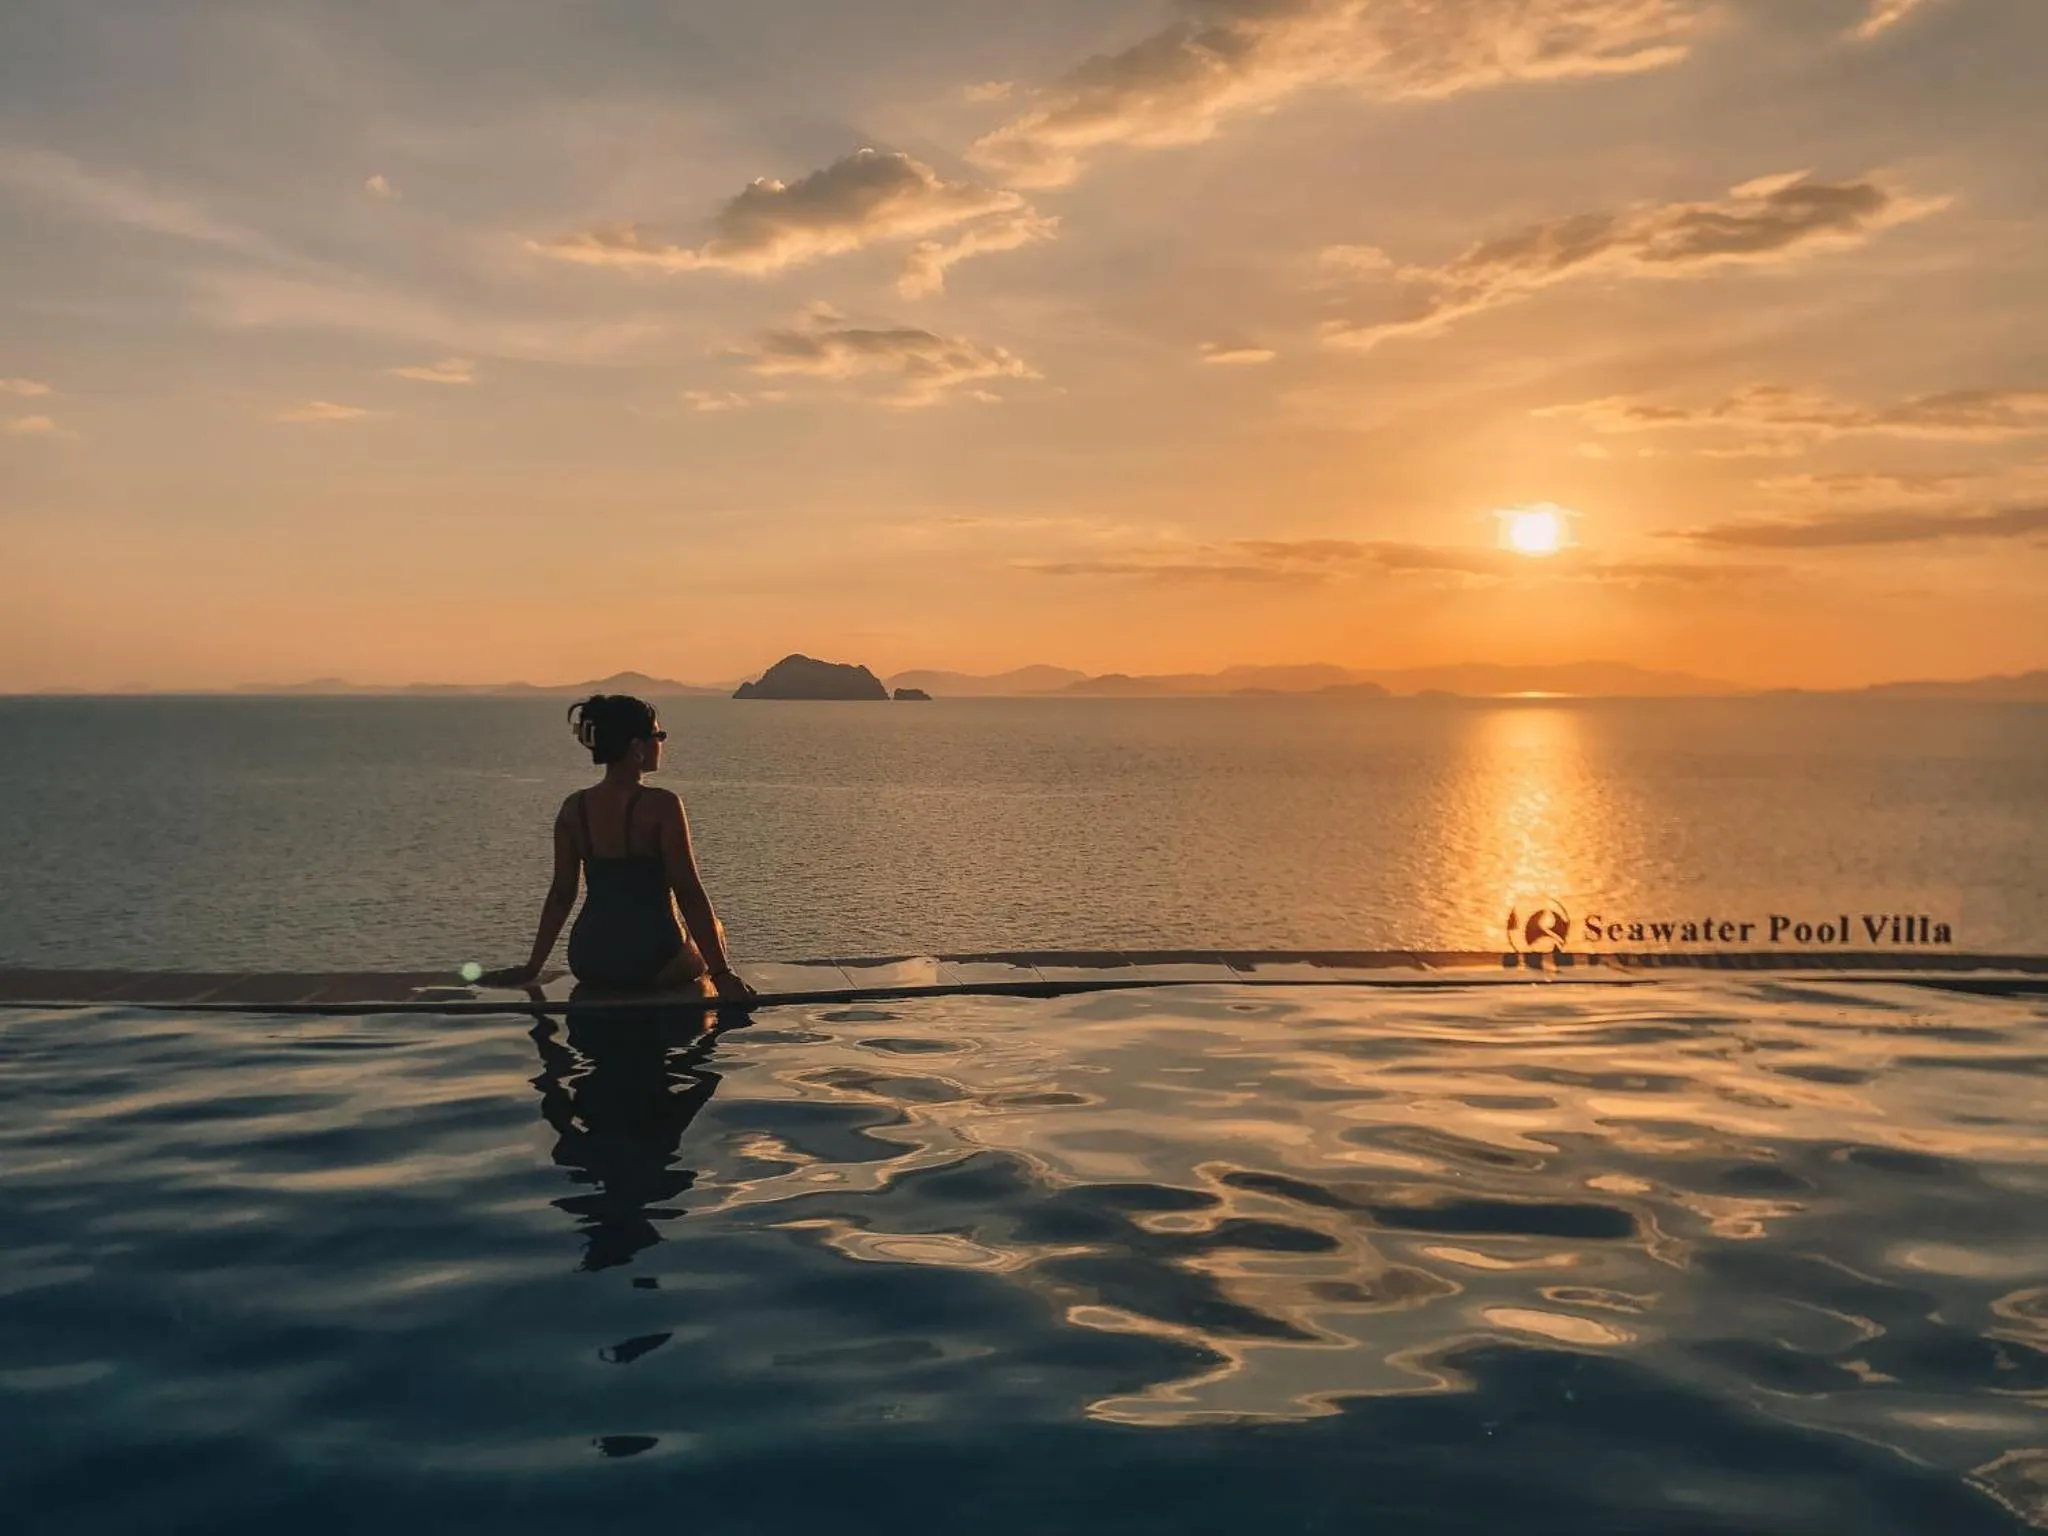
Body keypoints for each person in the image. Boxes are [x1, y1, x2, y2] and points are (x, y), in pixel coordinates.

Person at [485, 694, 754, 1002]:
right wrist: (722, 974)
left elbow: (562, 893)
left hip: (588, 959)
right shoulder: (663, 806)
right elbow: (688, 891)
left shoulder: (573, 809)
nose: (662, 742)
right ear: (637, 747)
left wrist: (533, 967)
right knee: (715, 930)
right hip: (652, 961)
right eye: (658, 735)